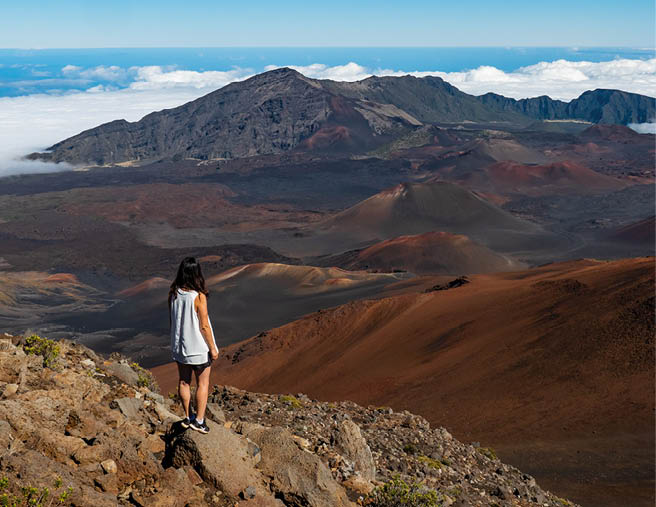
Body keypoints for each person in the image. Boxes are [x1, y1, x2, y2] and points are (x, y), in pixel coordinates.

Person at [168, 257, 219, 434]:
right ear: (197, 273)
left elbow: (172, 320)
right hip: (198, 348)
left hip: (180, 347)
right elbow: (204, 325)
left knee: (184, 382)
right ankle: (199, 421)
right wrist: (212, 348)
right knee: (202, 384)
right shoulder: (198, 296)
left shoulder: (173, 293)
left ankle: (188, 416)